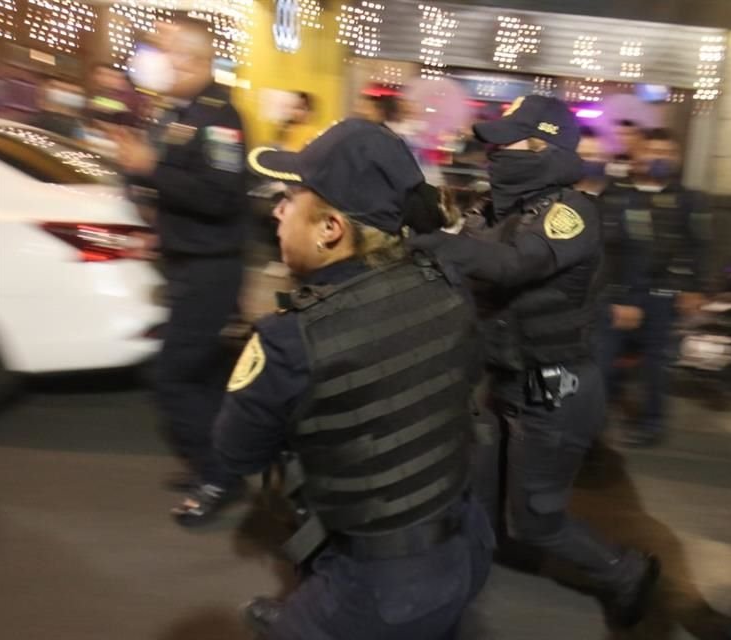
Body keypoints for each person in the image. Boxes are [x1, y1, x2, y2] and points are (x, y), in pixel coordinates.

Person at [215, 118, 493, 640]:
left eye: (291, 196)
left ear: (330, 229)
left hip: (379, 588)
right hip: (465, 547)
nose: (277, 209)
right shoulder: (444, 282)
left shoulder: (289, 337)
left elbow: (236, 453)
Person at [410, 95, 660, 630]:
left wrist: (438, 248)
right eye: (493, 143)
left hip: (557, 392)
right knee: (478, 492)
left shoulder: (570, 213)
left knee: (538, 520)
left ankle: (627, 572)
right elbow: (462, 254)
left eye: (509, 142)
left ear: (545, 149)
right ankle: (465, 584)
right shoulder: (491, 210)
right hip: (501, 380)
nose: (494, 152)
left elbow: (513, 263)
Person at [107, 17, 250, 525]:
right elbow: (181, 191)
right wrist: (157, 226)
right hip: (189, 263)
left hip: (211, 270)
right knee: (204, 376)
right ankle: (217, 464)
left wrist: (151, 168)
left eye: (165, 51)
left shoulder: (219, 117)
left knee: (171, 377)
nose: (157, 60)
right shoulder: (180, 113)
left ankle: (215, 477)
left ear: (192, 59)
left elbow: (220, 194)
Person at [597, 128, 707, 447]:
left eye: (666, 152)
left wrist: (693, 288)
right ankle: (594, 425)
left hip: (663, 297)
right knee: (604, 361)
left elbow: (697, 246)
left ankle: (651, 424)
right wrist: (618, 297)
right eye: (651, 150)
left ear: (677, 158)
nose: (658, 157)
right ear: (637, 154)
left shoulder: (688, 200)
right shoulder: (615, 195)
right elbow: (606, 251)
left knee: (656, 365)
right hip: (620, 296)